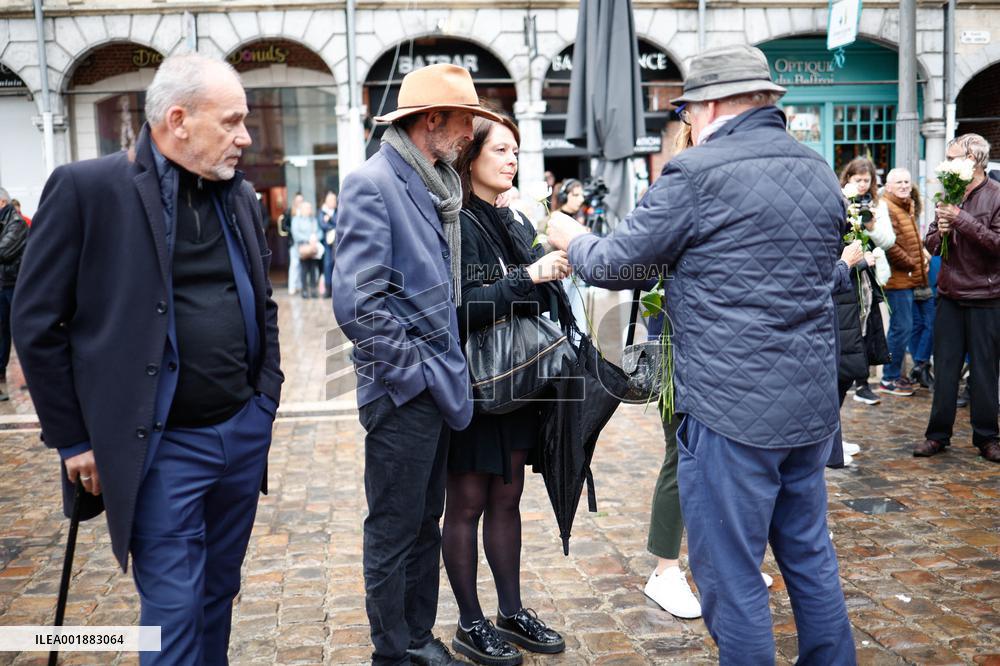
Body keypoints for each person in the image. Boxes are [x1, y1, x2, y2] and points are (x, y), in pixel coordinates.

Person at [547, 44, 856, 664]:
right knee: (809, 555)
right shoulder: (817, 168)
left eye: (687, 112)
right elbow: (831, 276)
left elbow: (616, 265)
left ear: (708, 106)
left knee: (729, 573)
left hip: (730, 408)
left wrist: (571, 235)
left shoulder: (698, 172)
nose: (687, 123)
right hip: (809, 404)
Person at [12, 53, 282, 664]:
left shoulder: (236, 195)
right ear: (179, 119)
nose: (246, 136)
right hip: (160, 447)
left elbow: (262, 302)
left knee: (219, 592)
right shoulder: (88, 188)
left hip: (240, 433)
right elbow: (35, 322)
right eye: (232, 121)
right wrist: (75, 440)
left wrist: (264, 400)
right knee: (173, 612)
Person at [331, 63, 502, 666]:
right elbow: (358, 301)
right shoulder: (375, 183)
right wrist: (413, 377)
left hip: (434, 390)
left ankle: (419, 636)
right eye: (464, 123)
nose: (469, 136)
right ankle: (393, 652)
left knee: (425, 523)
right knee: (394, 530)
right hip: (403, 392)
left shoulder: (435, 185)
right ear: (432, 122)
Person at [443, 111, 568, 666]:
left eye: (517, 151)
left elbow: (536, 298)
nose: (512, 160)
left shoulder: (512, 217)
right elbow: (460, 308)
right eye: (501, 151)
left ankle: (511, 610)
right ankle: (471, 621)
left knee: (508, 497)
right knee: (467, 502)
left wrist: (545, 267)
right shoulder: (457, 221)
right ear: (472, 158)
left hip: (520, 381)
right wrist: (528, 277)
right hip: (476, 382)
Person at [916, 133, 1000, 463]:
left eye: (953, 158)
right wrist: (941, 231)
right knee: (946, 370)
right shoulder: (949, 194)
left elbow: (997, 245)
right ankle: (937, 435)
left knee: (984, 372)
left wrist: (961, 220)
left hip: (986, 296)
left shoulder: (995, 196)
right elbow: (931, 244)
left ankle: (988, 438)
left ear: (974, 161)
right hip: (949, 295)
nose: (947, 164)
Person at [838, 157, 900, 404]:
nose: (863, 185)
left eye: (867, 180)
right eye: (858, 180)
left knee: (868, 327)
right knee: (854, 326)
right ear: (848, 180)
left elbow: (888, 241)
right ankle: (856, 381)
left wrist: (871, 225)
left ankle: (863, 382)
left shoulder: (878, 205)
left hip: (871, 272)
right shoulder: (841, 202)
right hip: (851, 272)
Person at [880, 168, 929, 394]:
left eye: (907, 182)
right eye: (898, 182)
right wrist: (911, 263)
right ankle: (889, 378)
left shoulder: (905, 205)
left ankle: (898, 374)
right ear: (888, 186)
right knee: (901, 328)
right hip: (897, 279)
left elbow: (909, 240)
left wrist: (922, 256)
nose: (903, 186)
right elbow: (890, 245)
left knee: (907, 327)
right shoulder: (888, 207)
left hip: (908, 279)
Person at [0, 187, 28, 402]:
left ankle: (32, 378)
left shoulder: (16, 223)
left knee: (21, 334)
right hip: (3, 285)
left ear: (2, 202)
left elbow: (4, 251)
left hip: (14, 286)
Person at [291, 201, 322, 298]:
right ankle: (304, 290)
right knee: (304, 270)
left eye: (310, 208)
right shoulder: (296, 220)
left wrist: (316, 238)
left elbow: (319, 232)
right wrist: (309, 239)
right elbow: (296, 234)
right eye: (307, 208)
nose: (309, 210)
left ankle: (313, 290)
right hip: (303, 248)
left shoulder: (313, 220)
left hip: (313, 248)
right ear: (302, 209)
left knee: (313, 269)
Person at [318, 191, 338, 298]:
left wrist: (330, 218)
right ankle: (328, 289)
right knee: (327, 266)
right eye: (330, 200)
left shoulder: (338, 211)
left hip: (337, 244)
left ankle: (336, 291)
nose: (332, 202)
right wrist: (332, 227)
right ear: (326, 200)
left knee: (336, 266)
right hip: (327, 245)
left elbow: (339, 223)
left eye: (334, 200)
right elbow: (322, 224)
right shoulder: (322, 212)